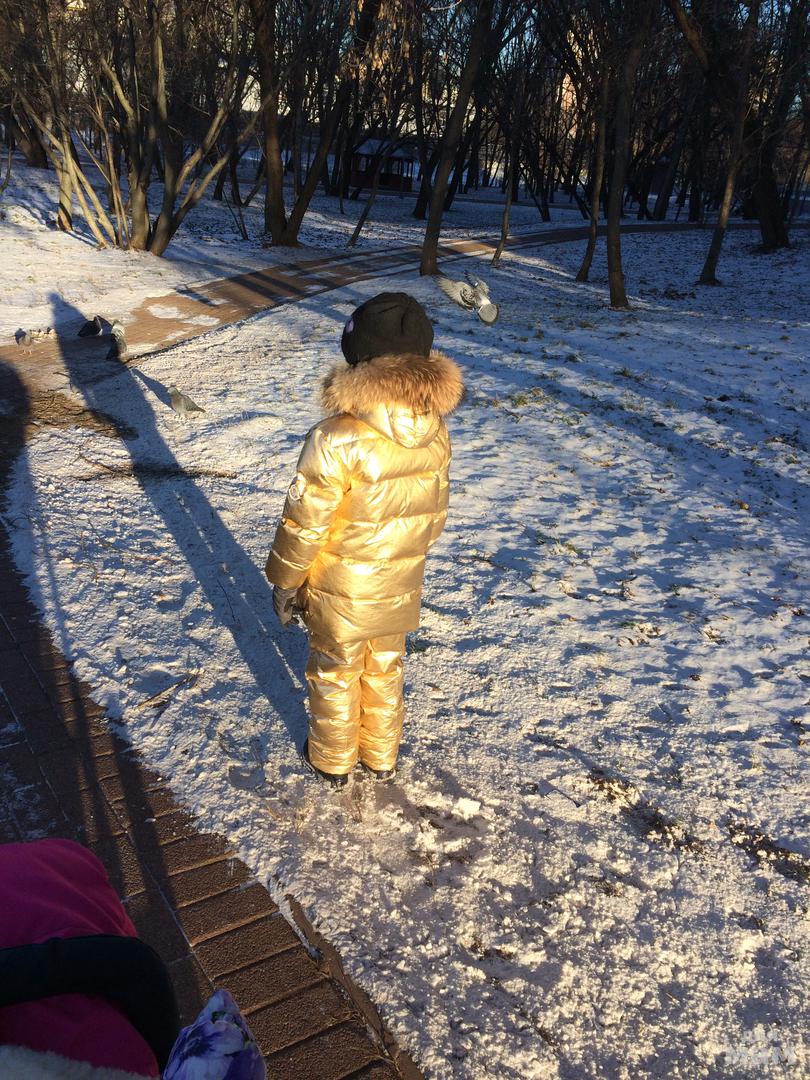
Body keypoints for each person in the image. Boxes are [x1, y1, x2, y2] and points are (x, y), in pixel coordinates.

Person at [265, 292, 464, 788]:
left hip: (341, 586)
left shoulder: (335, 437)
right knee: (386, 668)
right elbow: (435, 516)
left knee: (336, 671)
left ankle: (332, 760)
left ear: (358, 359)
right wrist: (403, 554)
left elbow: (305, 523)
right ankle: (380, 755)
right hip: (400, 579)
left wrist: (285, 581)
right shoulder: (435, 431)